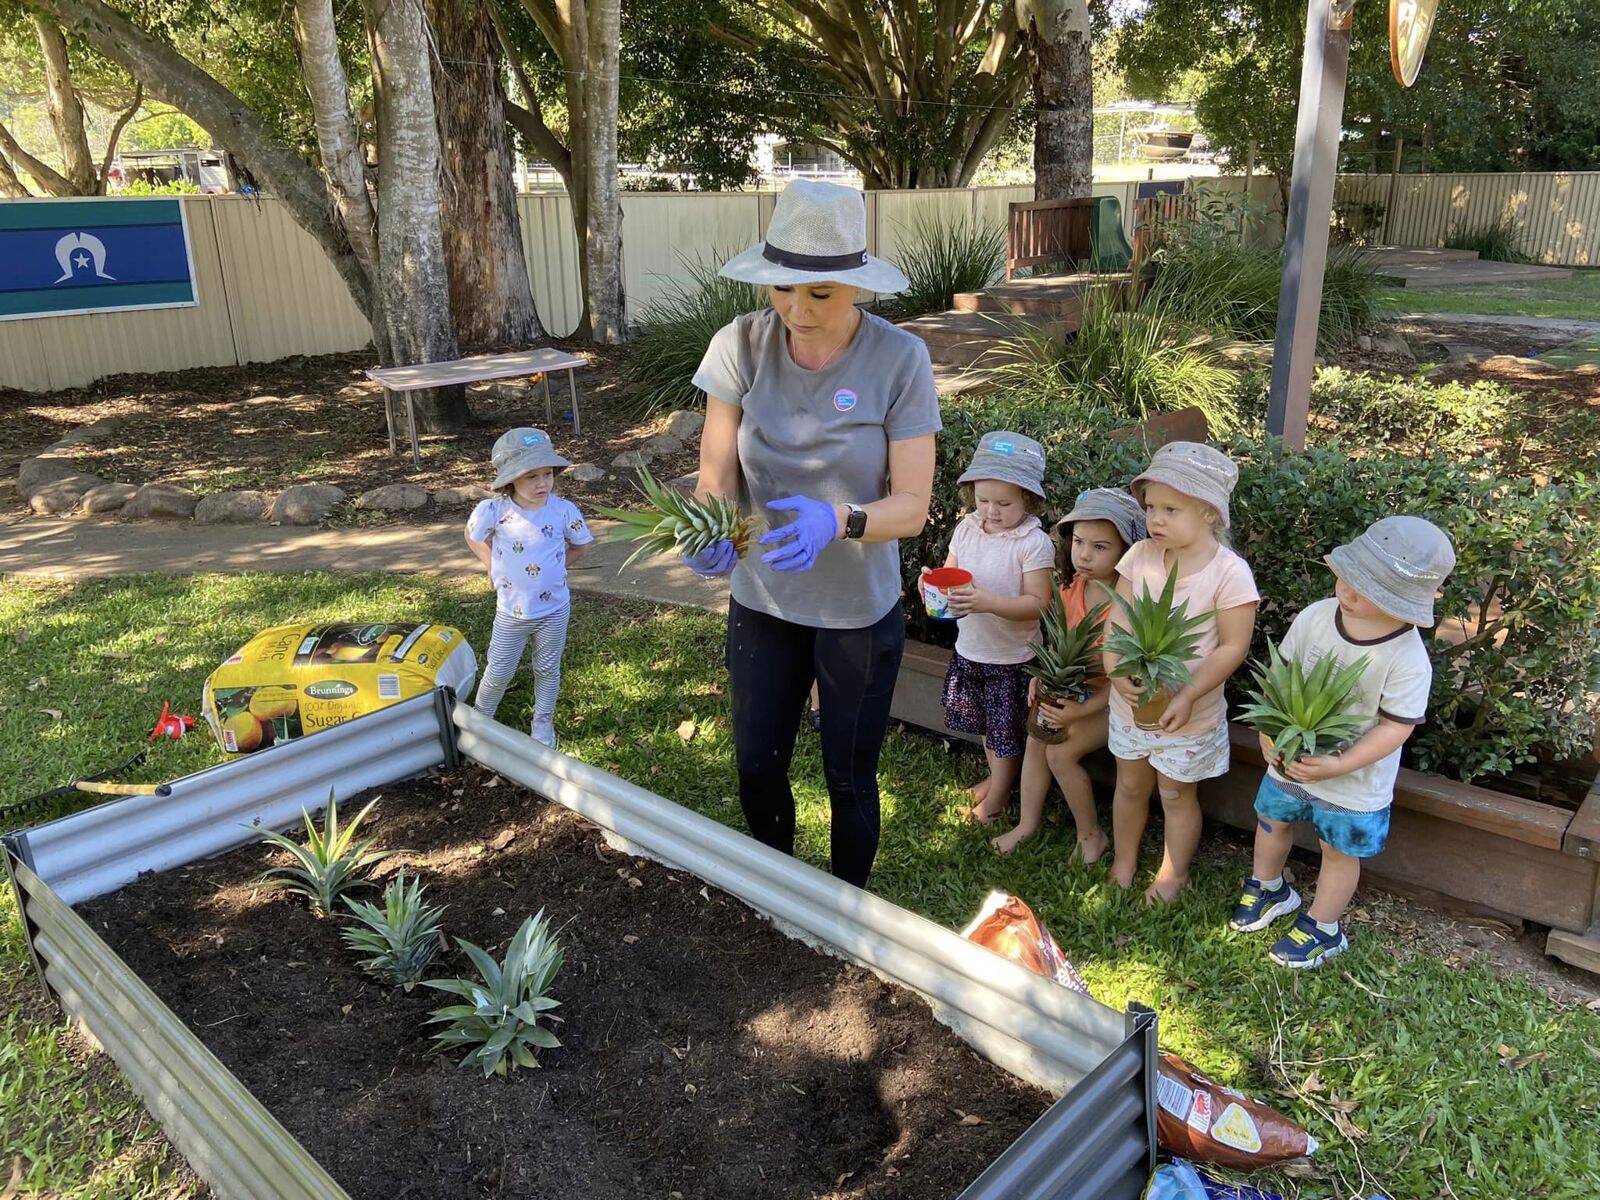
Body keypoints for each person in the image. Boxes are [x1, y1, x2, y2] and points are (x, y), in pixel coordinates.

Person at [683, 179, 941, 888]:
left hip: (857, 609)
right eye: (782, 289)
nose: (797, 311)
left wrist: (842, 520)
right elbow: (717, 475)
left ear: (856, 286)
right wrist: (710, 526)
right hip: (763, 599)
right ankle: (782, 902)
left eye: (820, 293)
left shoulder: (899, 359)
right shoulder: (739, 345)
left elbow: (914, 506)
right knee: (756, 764)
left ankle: (845, 912)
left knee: (848, 775)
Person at [1231, 516, 1454, 968]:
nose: (1347, 592)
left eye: (1367, 590)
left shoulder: (1407, 659)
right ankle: (1268, 886)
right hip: (1290, 758)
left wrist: (1341, 764)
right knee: (1271, 819)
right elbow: (1281, 676)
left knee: (1338, 850)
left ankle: (1324, 925)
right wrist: (1268, 731)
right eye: (1347, 578)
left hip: (1354, 781)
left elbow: (1396, 727)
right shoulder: (1316, 616)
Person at [1104, 442, 1259, 902]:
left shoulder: (1230, 574)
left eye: (1171, 509)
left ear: (1210, 513)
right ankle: (1124, 860)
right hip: (1130, 702)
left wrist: (1188, 694)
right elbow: (1118, 620)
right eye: (1151, 507)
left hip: (1189, 713)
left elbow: (1233, 646)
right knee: (1129, 786)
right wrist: (1115, 672)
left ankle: (1173, 873)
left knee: (1175, 794)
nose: (1156, 520)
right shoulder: (1140, 557)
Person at [991, 487, 1146, 857]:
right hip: (1071, 692)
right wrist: (1042, 677)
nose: (1084, 554)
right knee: (1036, 738)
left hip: (1113, 704)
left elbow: (1126, 681)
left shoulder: (1129, 606)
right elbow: (1056, 648)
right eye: (1078, 542)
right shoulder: (1070, 589)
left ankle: (1091, 835)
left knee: (1061, 753)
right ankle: (1027, 823)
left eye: (1100, 547)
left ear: (1127, 551)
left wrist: (1080, 710)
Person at [928, 431, 1055, 824]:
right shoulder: (967, 528)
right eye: (983, 500)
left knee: (1004, 732)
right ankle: (997, 778)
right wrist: (930, 582)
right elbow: (951, 571)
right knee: (987, 727)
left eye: (1004, 503)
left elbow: (1039, 605)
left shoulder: (1032, 543)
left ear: (1028, 500)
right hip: (972, 648)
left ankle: (999, 794)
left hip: (1010, 658)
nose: (991, 511)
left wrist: (988, 603)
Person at [464, 428, 593, 747]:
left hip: (554, 610)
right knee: (499, 671)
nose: (542, 484)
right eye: (531, 476)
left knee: (548, 669)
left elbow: (580, 545)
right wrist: (492, 564)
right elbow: (472, 535)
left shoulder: (563, 510)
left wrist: (556, 569)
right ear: (511, 480)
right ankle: (481, 721)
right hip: (512, 612)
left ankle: (543, 722)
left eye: (547, 474)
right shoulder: (495, 511)